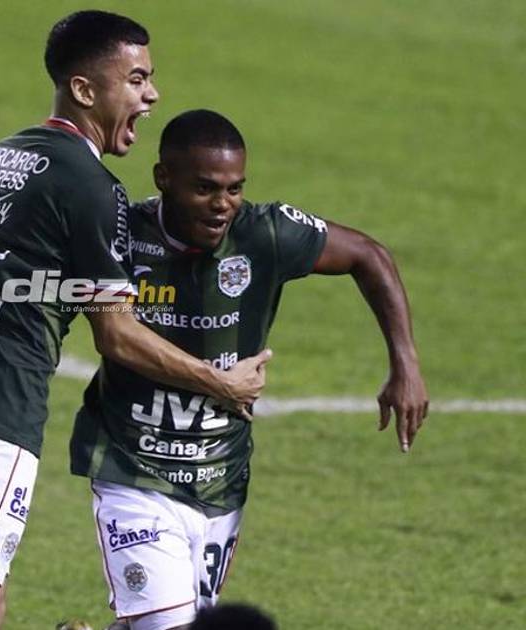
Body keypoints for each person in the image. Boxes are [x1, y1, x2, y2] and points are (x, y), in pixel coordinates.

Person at [0, 13, 272, 630]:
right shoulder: (92, 186)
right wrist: (219, 382)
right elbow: (115, 333)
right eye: (137, 80)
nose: (151, 95)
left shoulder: (14, 152)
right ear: (85, 89)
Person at [69, 109, 429, 630]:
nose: (222, 205)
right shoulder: (123, 237)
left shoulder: (265, 234)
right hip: (133, 469)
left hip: (221, 478)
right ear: (164, 178)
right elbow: (112, 334)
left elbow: (367, 255)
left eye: (234, 189)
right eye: (205, 188)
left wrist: (405, 364)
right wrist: (219, 381)